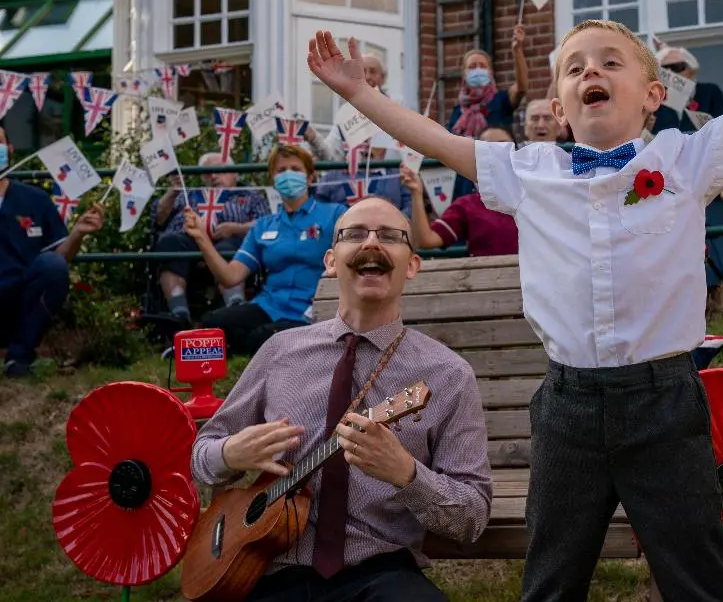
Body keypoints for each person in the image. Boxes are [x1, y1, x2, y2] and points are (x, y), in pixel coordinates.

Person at [306, 0, 723, 601]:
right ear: (560, 107)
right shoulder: (529, 169)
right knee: (551, 578)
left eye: (608, 62)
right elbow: (433, 140)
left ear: (653, 95)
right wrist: (359, 91)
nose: (589, 70)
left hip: (665, 401)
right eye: (574, 68)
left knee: (698, 576)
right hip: (568, 407)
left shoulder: (685, 159)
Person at [191, 196, 492, 601]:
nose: (372, 243)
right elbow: (200, 459)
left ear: (412, 265)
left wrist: (406, 474)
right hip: (268, 567)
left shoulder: (448, 375)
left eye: (390, 236)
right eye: (356, 234)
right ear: (331, 261)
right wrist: (230, 453)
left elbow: (471, 517)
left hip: (380, 570)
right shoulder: (280, 351)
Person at [182, 144, 346, 356]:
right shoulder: (262, 226)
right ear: (273, 179)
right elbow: (230, 277)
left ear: (310, 178)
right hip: (269, 307)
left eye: (296, 169)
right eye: (281, 170)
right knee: (213, 325)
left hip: (314, 310)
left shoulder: (336, 215)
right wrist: (201, 238)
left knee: (261, 339)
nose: (288, 175)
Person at [0, 127, 104, 377]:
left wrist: (77, 233)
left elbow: (59, 258)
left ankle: (19, 358)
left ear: (10, 150)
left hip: (20, 298)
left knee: (53, 267)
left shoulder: (35, 199)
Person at [650, 44, 723, 311]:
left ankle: (720, 293)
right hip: (668, 186)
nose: (672, 74)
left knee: (716, 228)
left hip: (706, 176)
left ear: (691, 71)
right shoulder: (654, 107)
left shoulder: (709, 92)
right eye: (665, 70)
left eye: (677, 68)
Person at [152, 151, 271, 322]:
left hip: (231, 242)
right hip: (188, 242)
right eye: (208, 173)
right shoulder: (190, 194)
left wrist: (237, 228)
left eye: (220, 171)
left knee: (228, 249)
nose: (214, 176)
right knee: (169, 243)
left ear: (235, 173)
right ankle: (178, 312)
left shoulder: (250, 195)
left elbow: (265, 223)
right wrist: (173, 192)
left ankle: (234, 304)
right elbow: (159, 219)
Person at [398, 127, 519, 257]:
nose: (498, 153)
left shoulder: (536, 194)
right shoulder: (468, 205)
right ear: (478, 157)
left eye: (503, 146)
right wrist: (416, 192)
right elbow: (426, 240)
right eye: (489, 148)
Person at [447, 24, 528, 138]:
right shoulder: (457, 111)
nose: (478, 69)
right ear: (464, 74)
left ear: (490, 72)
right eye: (472, 66)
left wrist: (517, 51)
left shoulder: (501, 100)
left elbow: (522, 88)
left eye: (482, 66)